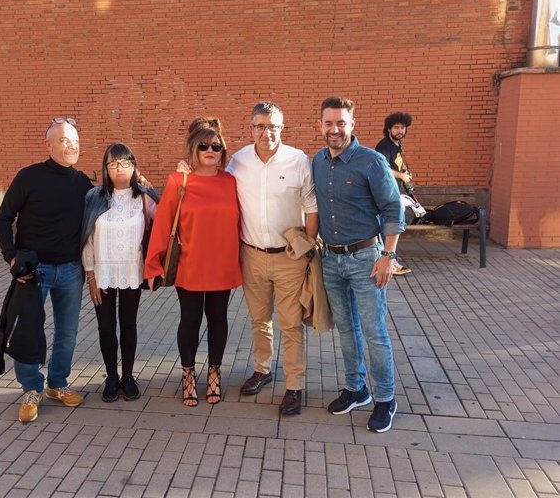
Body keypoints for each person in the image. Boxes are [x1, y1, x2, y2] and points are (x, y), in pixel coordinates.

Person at [312, 97, 405, 433]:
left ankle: (385, 399)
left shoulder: (372, 162)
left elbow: (394, 210)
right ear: (320, 125)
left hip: (367, 258)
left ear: (352, 124)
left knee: (374, 331)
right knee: (347, 330)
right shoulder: (319, 162)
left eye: (340, 123)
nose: (334, 129)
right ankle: (356, 388)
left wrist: (388, 256)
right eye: (328, 123)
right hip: (331, 259)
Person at [0, 117, 93, 423]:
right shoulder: (29, 177)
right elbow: (3, 218)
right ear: (48, 145)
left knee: (67, 333)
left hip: (70, 271)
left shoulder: (82, 184)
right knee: (27, 332)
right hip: (33, 273)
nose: (71, 146)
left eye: (75, 140)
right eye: (63, 140)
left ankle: (57, 384)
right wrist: (11, 257)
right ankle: (31, 389)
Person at [145, 117, 241, 407]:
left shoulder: (231, 181)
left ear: (222, 150)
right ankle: (188, 374)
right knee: (190, 319)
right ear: (193, 149)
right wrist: (153, 265)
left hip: (222, 265)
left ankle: (214, 372)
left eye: (216, 146)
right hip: (189, 264)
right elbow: (163, 225)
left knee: (218, 320)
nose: (210, 150)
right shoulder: (179, 181)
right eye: (203, 146)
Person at [229, 102, 318, 415]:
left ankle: (294, 385)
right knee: (259, 319)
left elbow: (311, 205)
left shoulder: (297, 161)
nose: (266, 132)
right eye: (260, 126)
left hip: (289, 257)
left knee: (291, 324)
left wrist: (307, 248)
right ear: (251, 127)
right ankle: (263, 369)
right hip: (251, 255)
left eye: (273, 126)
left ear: (282, 128)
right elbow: (217, 189)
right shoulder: (238, 160)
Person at [80, 143, 159, 403]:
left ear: (134, 166)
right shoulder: (95, 197)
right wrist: (91, 277)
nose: (119, 169)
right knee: (105, 327)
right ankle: (111, 377)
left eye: (124, 163)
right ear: (106, 169)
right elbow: (87, 239)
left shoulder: (143, 197)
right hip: (102, 273)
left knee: (128, 325)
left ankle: (128, 377)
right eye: (112, 164)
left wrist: (153, 189)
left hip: (131, 272)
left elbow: (165, 218)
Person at [375, 112, 414, 275]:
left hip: (395, 191)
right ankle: (388, 260)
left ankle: (389, 259)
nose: (400, 130)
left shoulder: (397, 145)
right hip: (387, 193)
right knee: (390, 224)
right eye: (396, 127)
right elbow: (382, 168)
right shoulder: (384, 146)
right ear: (389, 129)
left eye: (402, 127)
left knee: (397, 222)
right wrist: (401, 175)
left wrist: (405, 176)